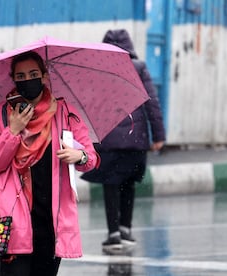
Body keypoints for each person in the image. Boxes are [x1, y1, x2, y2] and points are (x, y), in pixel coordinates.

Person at [0, 50, 99, 276]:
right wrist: (12, 131)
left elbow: (91, 159)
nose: (27, 80)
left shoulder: (65, 113)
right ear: (13, 79)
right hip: (12, 222)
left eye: (33, 74)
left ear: (44, 77)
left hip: (51, 224)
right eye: (21, 76)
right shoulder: (2, 115)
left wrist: (79, 155)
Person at [81, 29, 166, 253]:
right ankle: (126, 229)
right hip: (136, 140)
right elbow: (152, 103)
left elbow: (89, 106)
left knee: (111, 184)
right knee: (128, 182)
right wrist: (158, 136)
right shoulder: (138, 68)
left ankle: (114, 234)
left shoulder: (98, 70)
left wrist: (85, 137)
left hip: (108, 140)